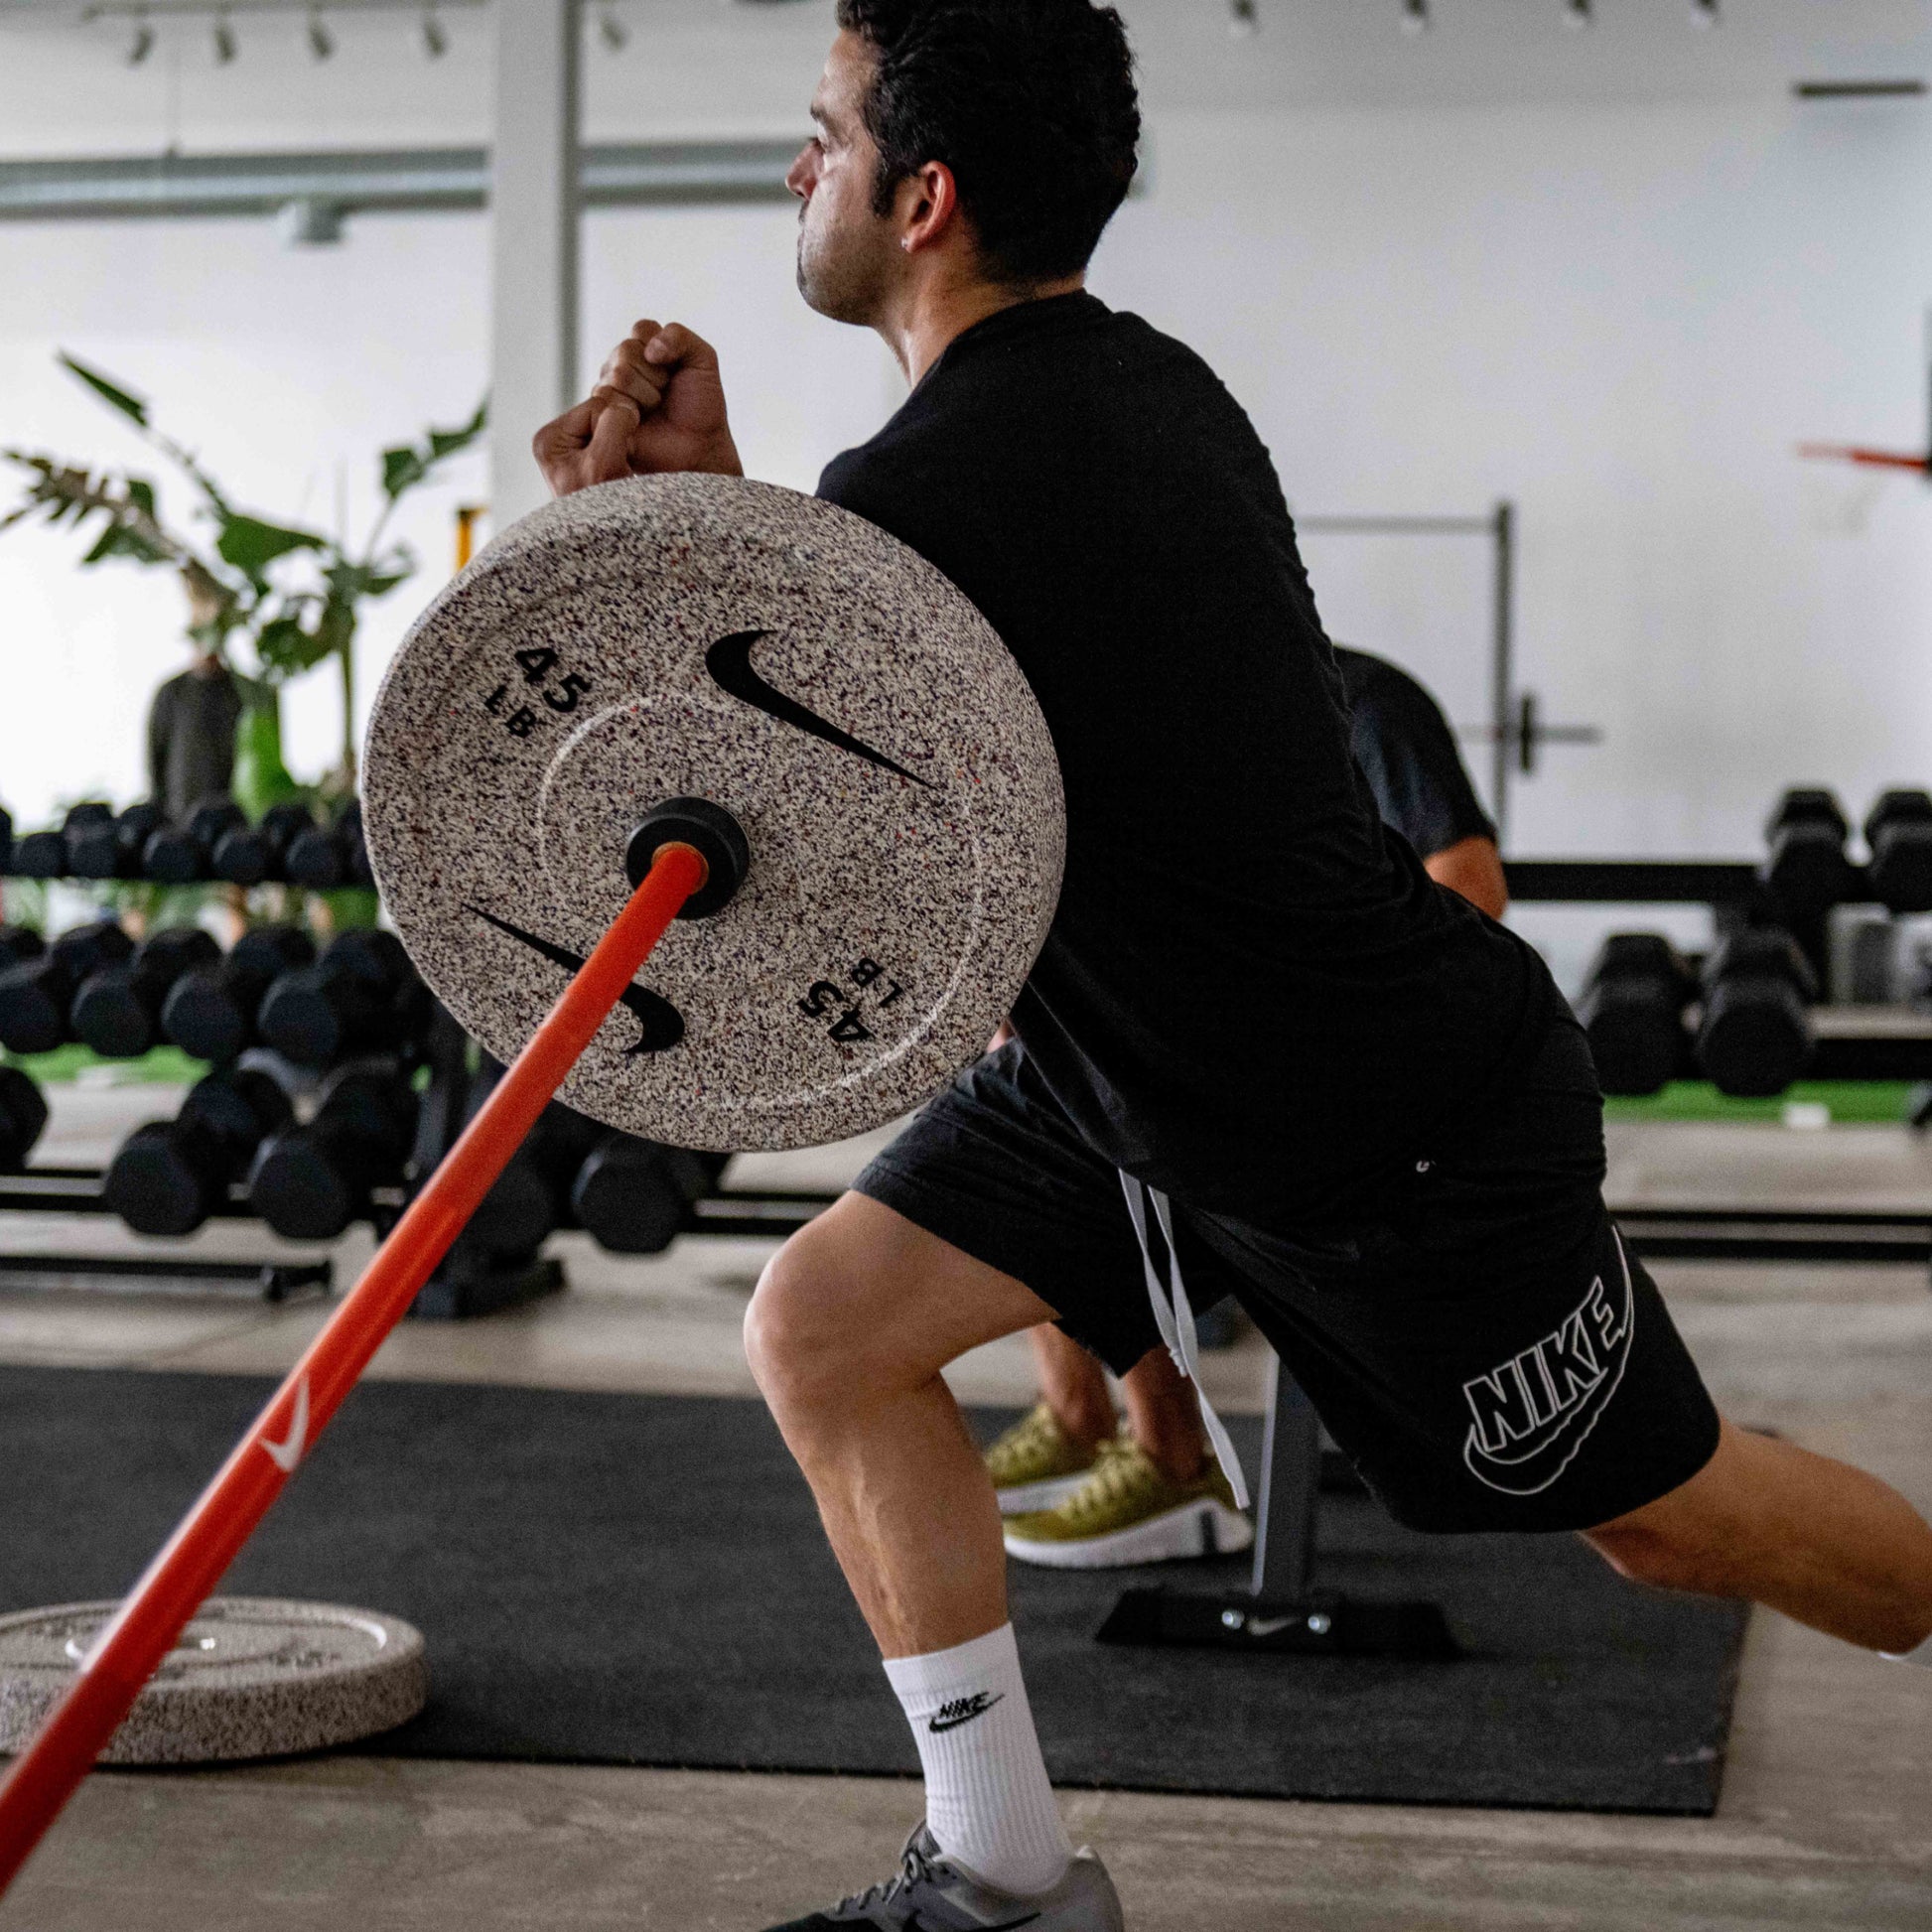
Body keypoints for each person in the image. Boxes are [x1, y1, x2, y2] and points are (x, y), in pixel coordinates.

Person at [535, 6, 1932, 1926]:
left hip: (1386, 1132)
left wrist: (643, 546)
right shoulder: (1118, 392)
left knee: (1663, 1525)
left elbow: (816, 851)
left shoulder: (950, 479)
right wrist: (711, 527)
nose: (799, 168)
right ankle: (1003, 1871)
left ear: (920, 196)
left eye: (824, 133)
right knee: (827, 1330)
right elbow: (894, 662)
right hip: (1149, 1091)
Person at [989, 644, 1509, 1571]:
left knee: (1104, 1132)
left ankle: (1174, 1461)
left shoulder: (1369, 702)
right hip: (1223, 1047)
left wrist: (1291, 1007)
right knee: (1016, 1093)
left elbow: (1472, 891)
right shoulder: (1169, 698)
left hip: (1348, 1066)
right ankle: (1075, 1418)